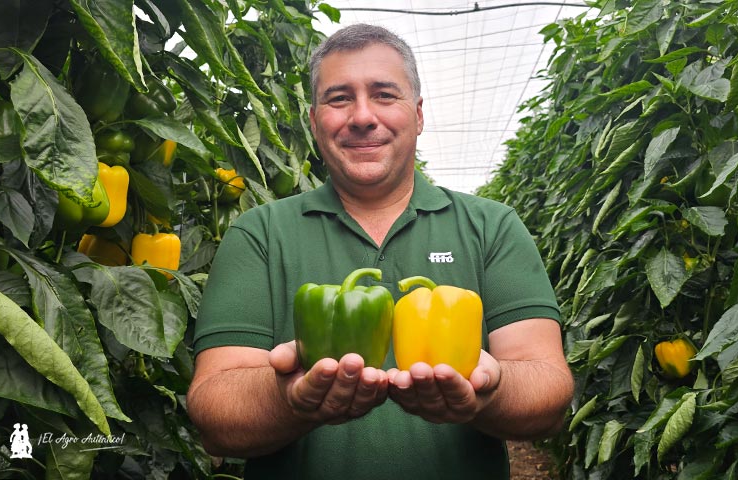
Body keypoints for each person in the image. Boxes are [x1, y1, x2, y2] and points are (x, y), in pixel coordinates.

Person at [187, 23, 574, 479]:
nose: (363, 116)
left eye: (385, 95)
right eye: (339, 98)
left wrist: (491, 387)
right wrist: (289, 398)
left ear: (419, 114)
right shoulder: (260, 233)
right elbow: (213, 413)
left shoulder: (491, 226)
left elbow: (549, 390)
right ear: (313, 121)